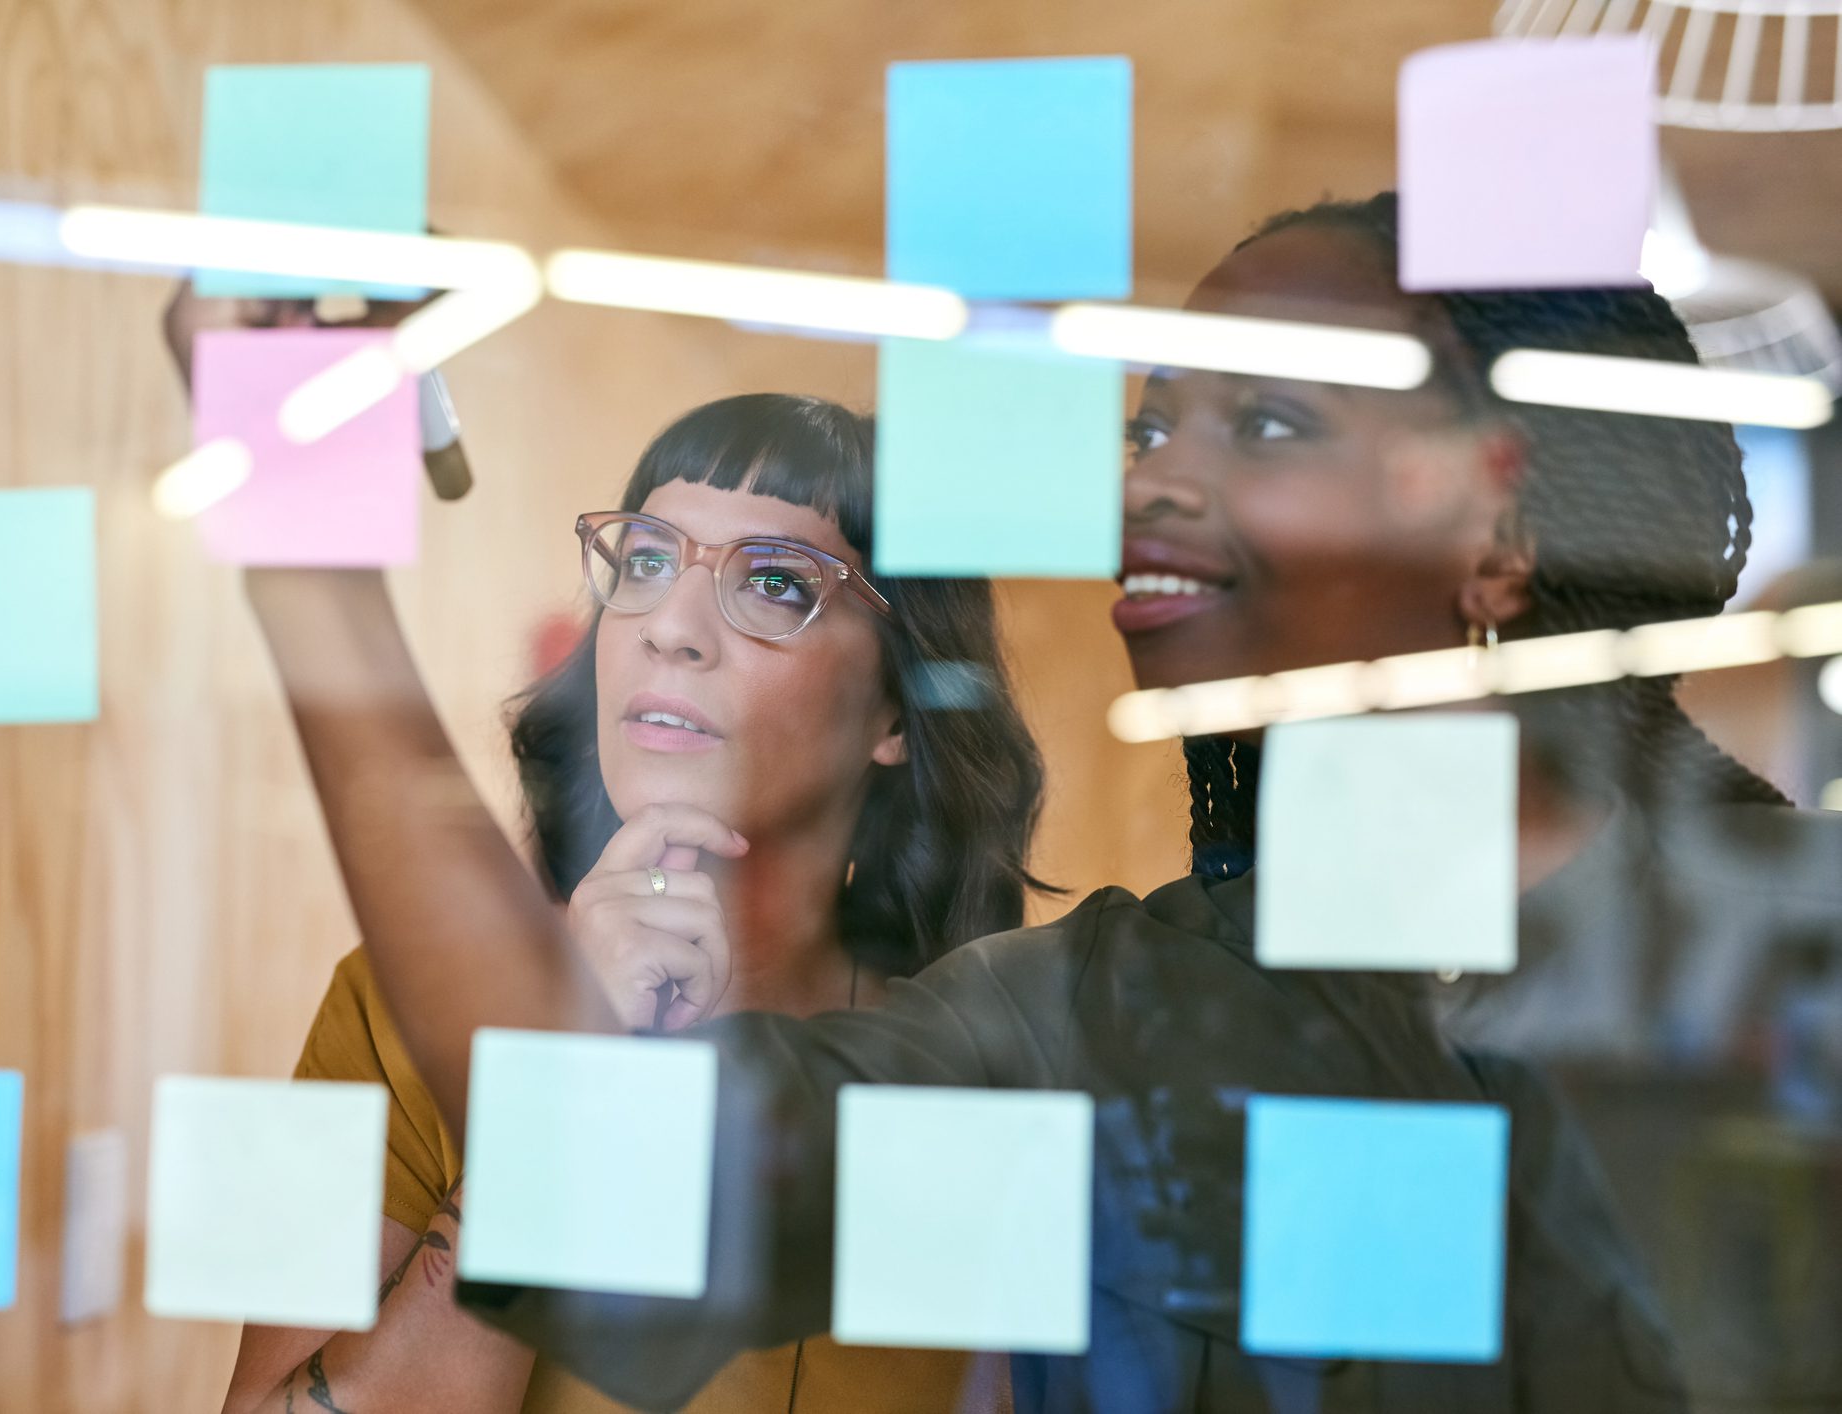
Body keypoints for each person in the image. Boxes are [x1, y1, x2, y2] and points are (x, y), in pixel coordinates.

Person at [253, 192, 1840, 1410]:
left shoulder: (1788, 942)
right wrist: (298, 537)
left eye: (1267, 419)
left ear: (1494, 533)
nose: (1152, 475)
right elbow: (613, 1180)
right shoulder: (1096, 1009)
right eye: (1148, 422)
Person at [194, 372, 1052, 1411]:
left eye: (775, 582)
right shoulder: (381, 1007)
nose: (669, 627)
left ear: (896, 713)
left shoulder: (983, 1086)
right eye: (644, 562)